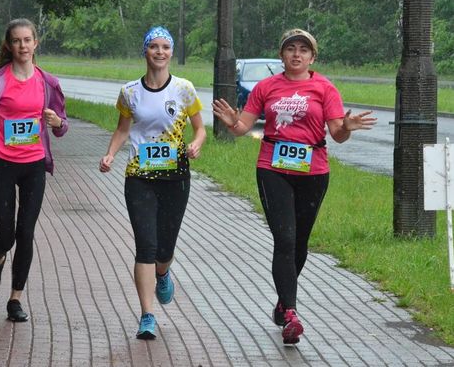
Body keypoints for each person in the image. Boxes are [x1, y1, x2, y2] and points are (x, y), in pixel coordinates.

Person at [212, 28, 377, 345]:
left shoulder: (324, 88)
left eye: (303, 50)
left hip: (313, 171)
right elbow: (243, 128)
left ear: (312, 57)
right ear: (282, 54)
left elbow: (337, 134)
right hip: (273, 169)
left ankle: (281, 300)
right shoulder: (266, 87)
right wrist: (233, 121)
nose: (296, 54)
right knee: (285, 238)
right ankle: (291, 312)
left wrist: (348, 128)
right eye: (291, 49)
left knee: (300, 242)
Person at [99, 26, 206, 340]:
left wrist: (197, 144)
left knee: (165, 247)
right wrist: (109, 155)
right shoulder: (130, 92)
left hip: (176, 177)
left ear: (171, 52)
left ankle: (163, 272)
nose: (159, 52)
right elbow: (122, 129)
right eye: (153, 47)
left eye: (165, 47)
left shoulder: (184, 89)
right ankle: (147, 315)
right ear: (144, 51)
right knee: (145, 245)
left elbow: (200, 128)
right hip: (139, 177)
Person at [0, 18, 68, 322]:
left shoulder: (48, 83)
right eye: (17, 41)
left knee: (26, 232)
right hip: (1, 163)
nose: (23, 46)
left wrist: (57, 123)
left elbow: (62, 126)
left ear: (36, 43)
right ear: (9, 45)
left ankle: (15, 299)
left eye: (28, 40)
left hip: (33, 163)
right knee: (7, 235)